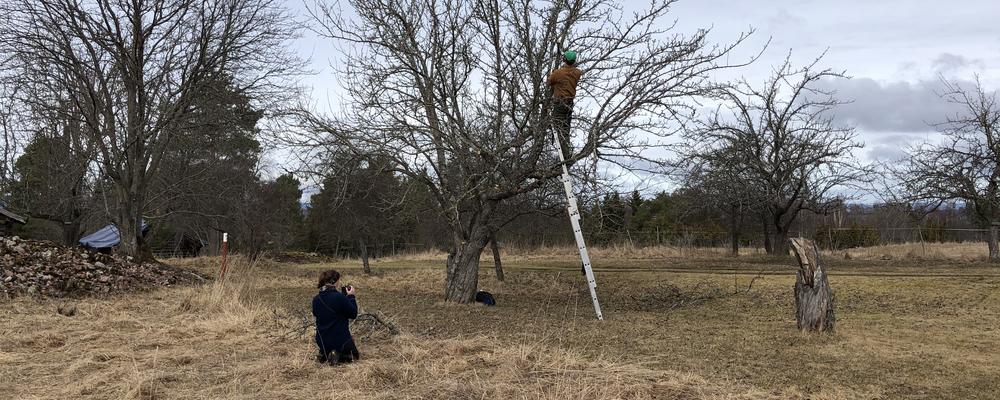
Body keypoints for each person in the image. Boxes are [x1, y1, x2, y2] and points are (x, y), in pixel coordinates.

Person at [312, 269, 360, 365]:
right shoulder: (339, 297)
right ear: (335, 281)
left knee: (329, 345)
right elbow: (353, 314)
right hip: (340, 340)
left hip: (321, 340)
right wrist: (351, 296)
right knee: (354, 356)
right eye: (339, 280)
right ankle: (337, 355)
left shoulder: (316, 299)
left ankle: (325, 354)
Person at [547, 50, 583, 161]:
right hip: (570, 104)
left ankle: (561, 152)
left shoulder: (558, 73)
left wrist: (553, 72)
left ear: (564, 60)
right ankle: (567, 152)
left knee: (556, 126)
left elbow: (549, 81)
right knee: (566, 128)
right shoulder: (577, 72)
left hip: (560, 103)